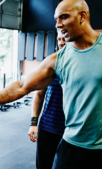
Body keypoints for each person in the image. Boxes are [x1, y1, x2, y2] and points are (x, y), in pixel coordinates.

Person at [0, 0, 102, 168]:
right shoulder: (57, 60)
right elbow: (22, 86)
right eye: (56, 19)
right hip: (70, 145)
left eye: (64, 17)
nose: (58, 24)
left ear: (82, 16)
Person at [28, 32, 67, 169]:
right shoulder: (50, 63)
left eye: (64, 39)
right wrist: (34, 123)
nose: (61, 42)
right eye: (59, 39)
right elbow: (38, 94)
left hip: (71, 132)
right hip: (47, 128)